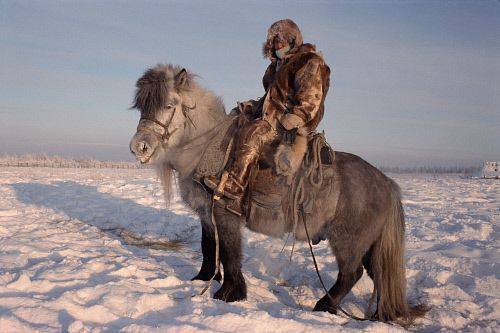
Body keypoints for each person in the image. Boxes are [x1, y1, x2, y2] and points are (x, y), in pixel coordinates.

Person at [205, 19, 331, 216]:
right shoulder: (278, 66)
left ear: (292, 40)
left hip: (290, 122)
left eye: (280, 40)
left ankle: (235, 184)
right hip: (275, 116)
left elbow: (312, 95)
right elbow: (270, 100)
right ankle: (223, 170)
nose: (276, 45)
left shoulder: (308, 61)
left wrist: (298, 116)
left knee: (253, 132)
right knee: (238, 123)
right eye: (273, 41)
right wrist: (251, 106)